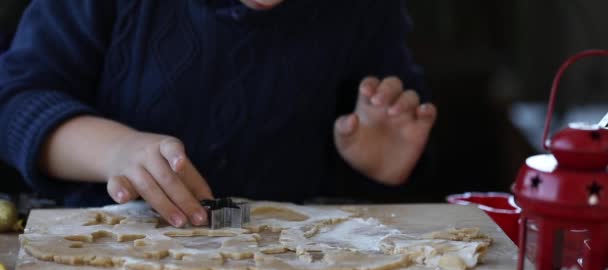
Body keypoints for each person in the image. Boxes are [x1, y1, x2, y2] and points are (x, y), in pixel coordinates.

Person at [0, 0, 437, 227]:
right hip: (107, 260)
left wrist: (375, 168)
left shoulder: (366, 10)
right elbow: (14, 102)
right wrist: (117, 151)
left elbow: (389, 149)